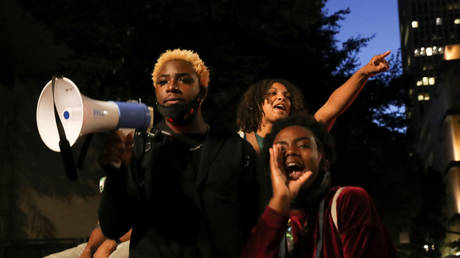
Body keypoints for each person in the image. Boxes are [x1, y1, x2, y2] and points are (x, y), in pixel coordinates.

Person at [97, 49, 260, 258]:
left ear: (202, 91)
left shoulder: (236, 149)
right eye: (162, 82)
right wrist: (115, 173)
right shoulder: (138, 148)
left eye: (184, 80)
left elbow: (254, 221)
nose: (171, 87)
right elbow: (113, 227)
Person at [240, 113, 397, 258]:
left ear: (324, 161)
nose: (291, 152)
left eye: (303, 145)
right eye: (281, 148)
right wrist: (280, 199)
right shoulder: (272, 223)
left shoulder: (348, 202)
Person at [236, 51, 391, 153]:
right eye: (273, 93)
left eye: (287, 96)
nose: (282, 98)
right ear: (257, 103)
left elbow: (331, 108)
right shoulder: (238, 142)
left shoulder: (300, 138)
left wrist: (363, 73)